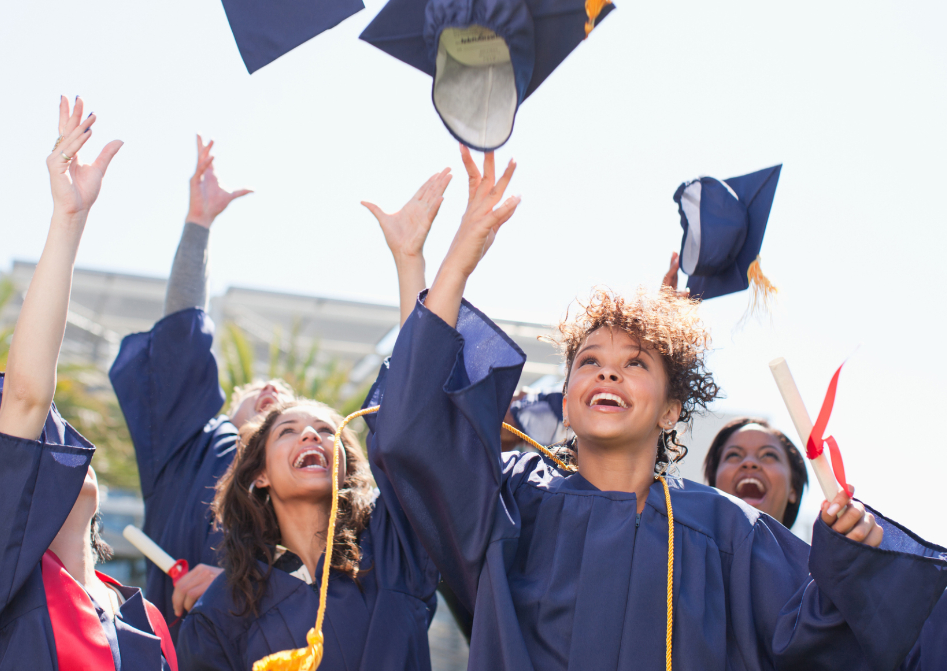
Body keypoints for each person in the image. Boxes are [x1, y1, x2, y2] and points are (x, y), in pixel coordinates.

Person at [369, 145, 947, 670]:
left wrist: (854, 559)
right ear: (566, 404)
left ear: (672, 409)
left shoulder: (726, 531)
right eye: (589, 361)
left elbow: (817, 635)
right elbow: (415, 434)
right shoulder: (513, 503)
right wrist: (450, 263)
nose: (608, 370)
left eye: (636, 363)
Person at [0, 97, 177, 670]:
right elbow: (27, 396)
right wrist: (69, 220)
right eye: (39, 444)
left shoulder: (148, 618)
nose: (59, 446)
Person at [109, 135, 296, 637]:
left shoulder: (305, 487)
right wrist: (198, 226)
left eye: (291, 413)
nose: (275, 391)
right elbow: (181, 337)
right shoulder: (189, 448)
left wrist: (245, 584)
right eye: (262, 387)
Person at [176, 396, 440, 670]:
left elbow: (420, 413)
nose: (311, 434)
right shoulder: (222, 611)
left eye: (326, 430)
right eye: (287, 430)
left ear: (344, 463)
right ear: (260, 474)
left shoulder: (395, 541)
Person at [704, 417, 809, 529]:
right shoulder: (684, 544)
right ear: (714, 484)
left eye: (768, 455)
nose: (749, 462)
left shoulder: (824, 545)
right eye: (734, 455)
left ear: (793, 488)